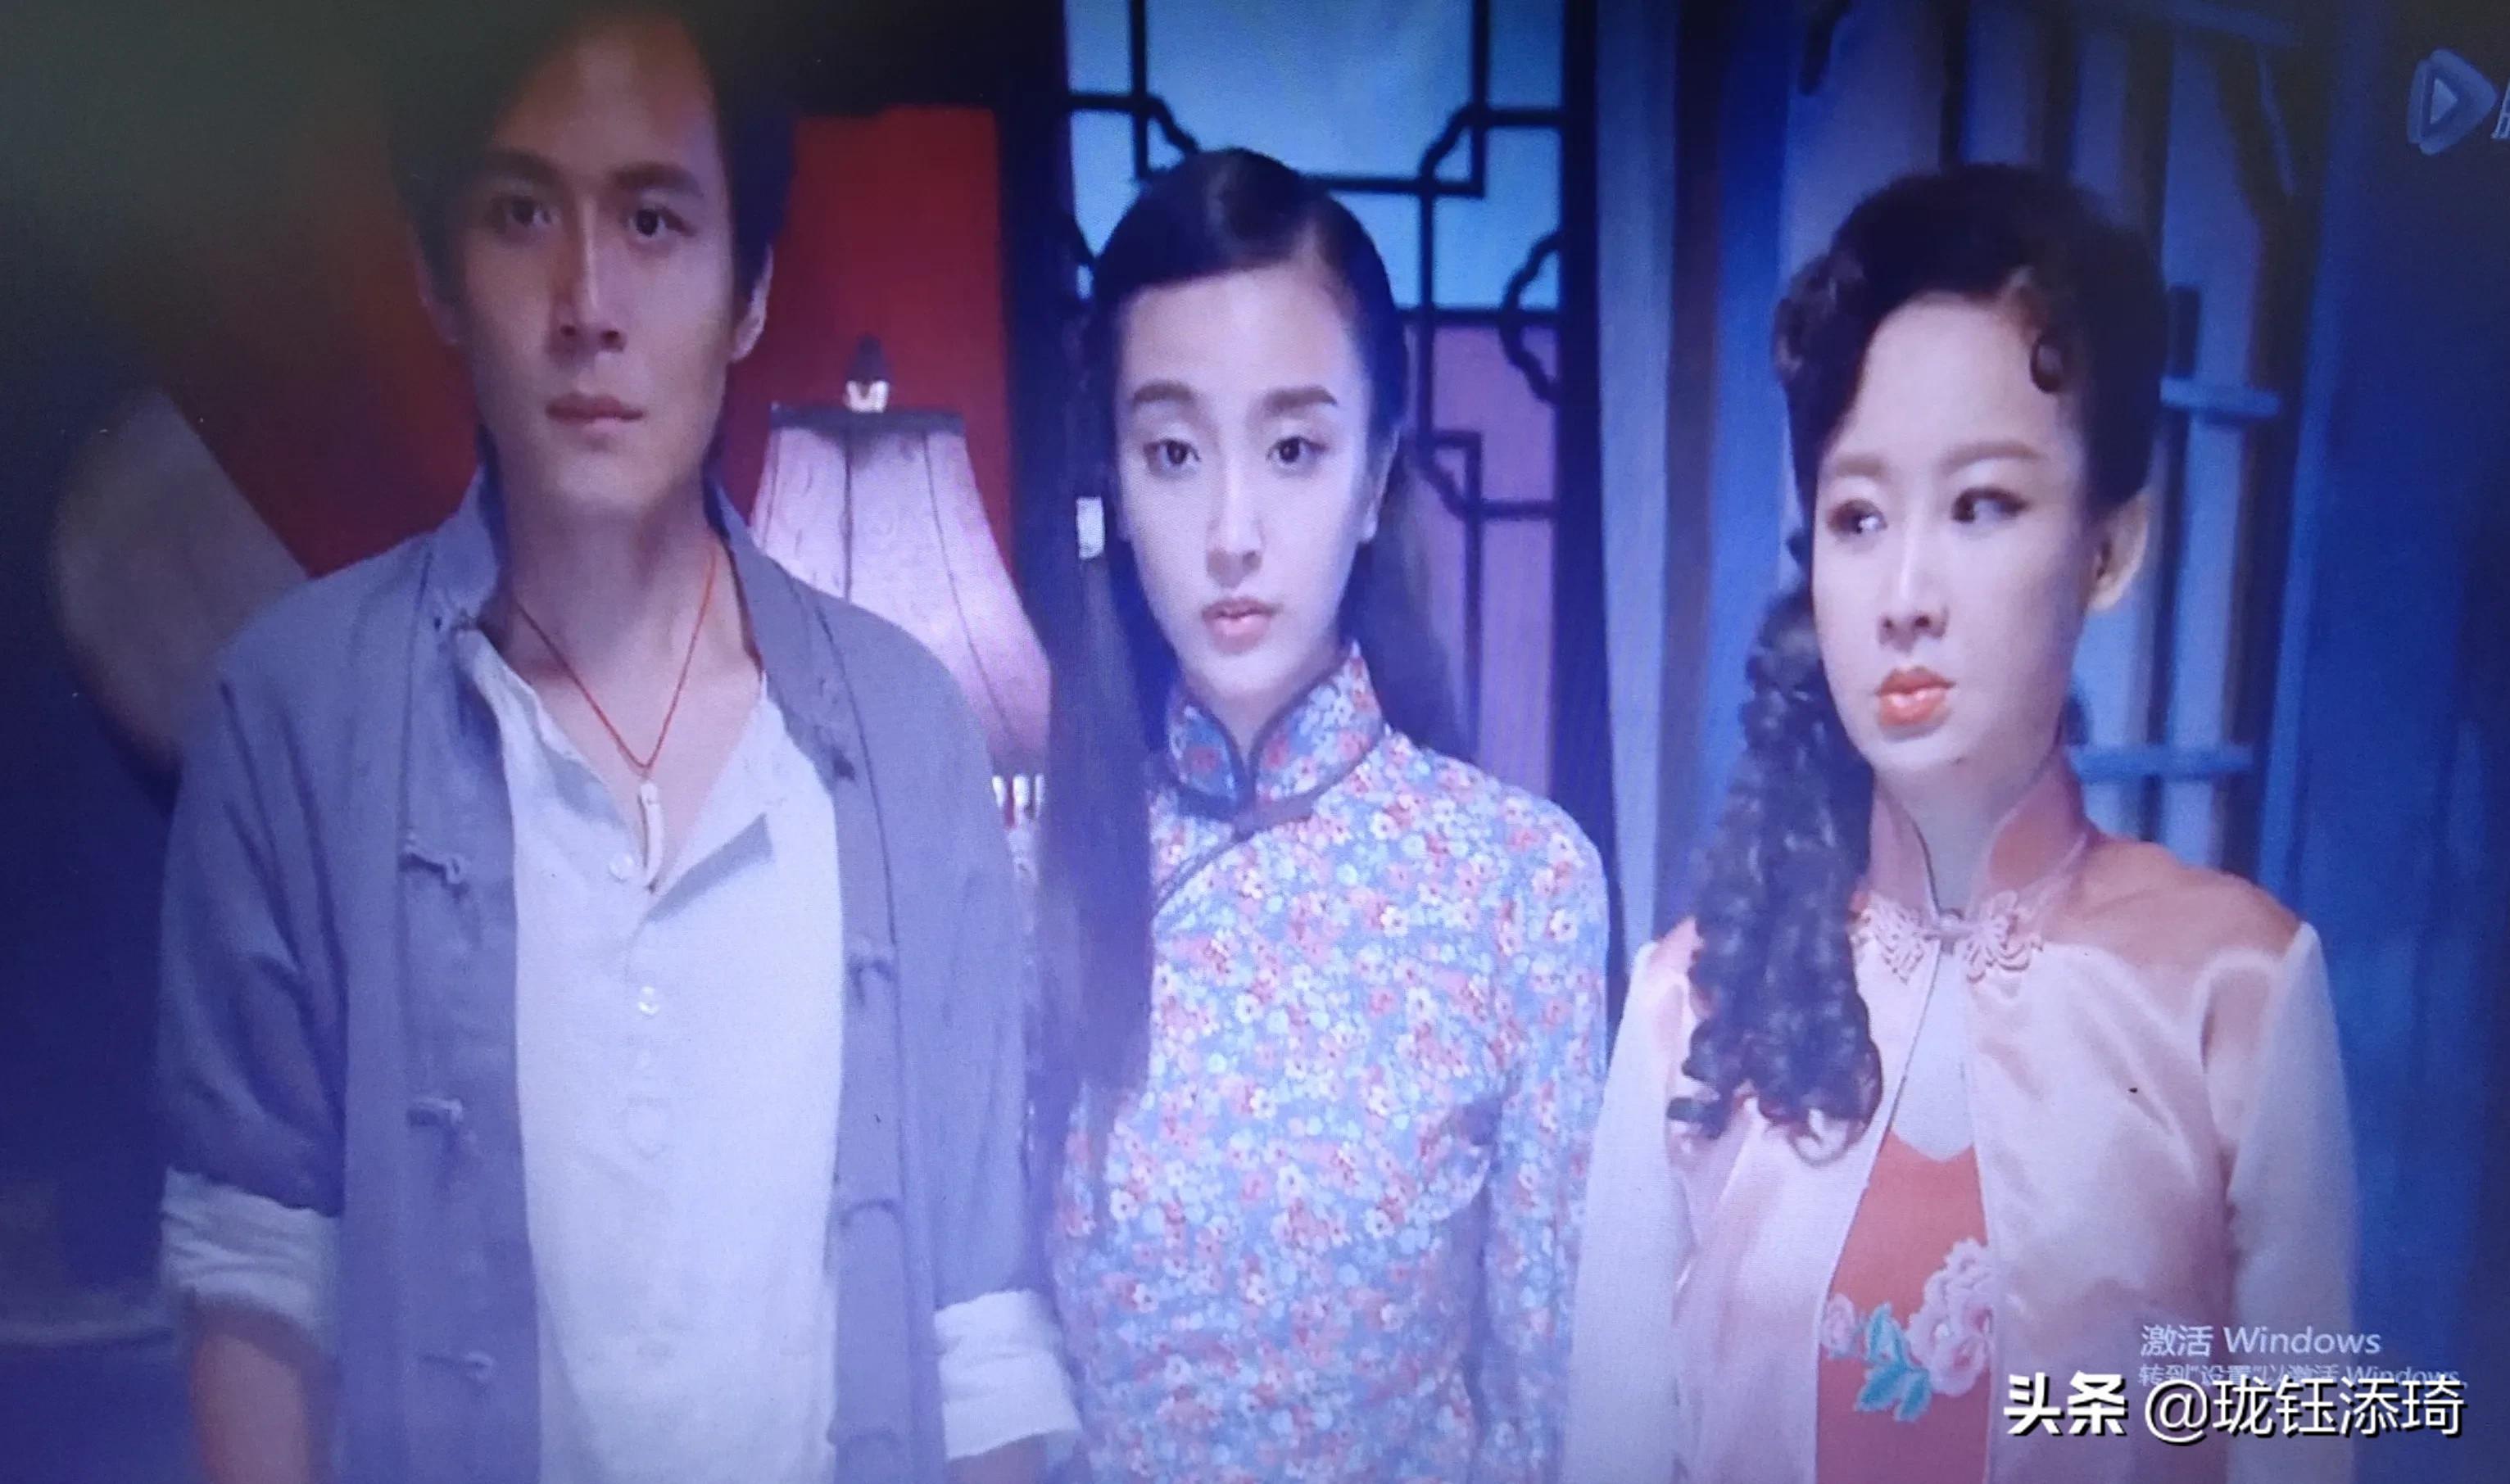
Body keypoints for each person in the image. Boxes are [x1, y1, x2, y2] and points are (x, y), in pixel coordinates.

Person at [154, 6, 1076, 1481]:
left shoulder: (905, 734)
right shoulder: (297, 715)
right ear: (436, 273)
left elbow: (980, 1335)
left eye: (654, 221)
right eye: (522, 215)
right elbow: (257, 1284)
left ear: (750, 288)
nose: (589, 303)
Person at [1565, 165, 2355, 1484]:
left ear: (2110, 548)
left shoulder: (2240, 994)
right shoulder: (1685, 1008)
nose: (1906, 594)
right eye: (1858, 517)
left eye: (1983, 504)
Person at [1034, 147, 1610, 1483]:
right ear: (1115, 482)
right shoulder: (1038, 876)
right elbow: (1000, 1364)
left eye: (1293, 449)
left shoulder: (1517, 884)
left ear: (1374, 476)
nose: (1232, 531)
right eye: (1174, 453)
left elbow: (1546, 1410)